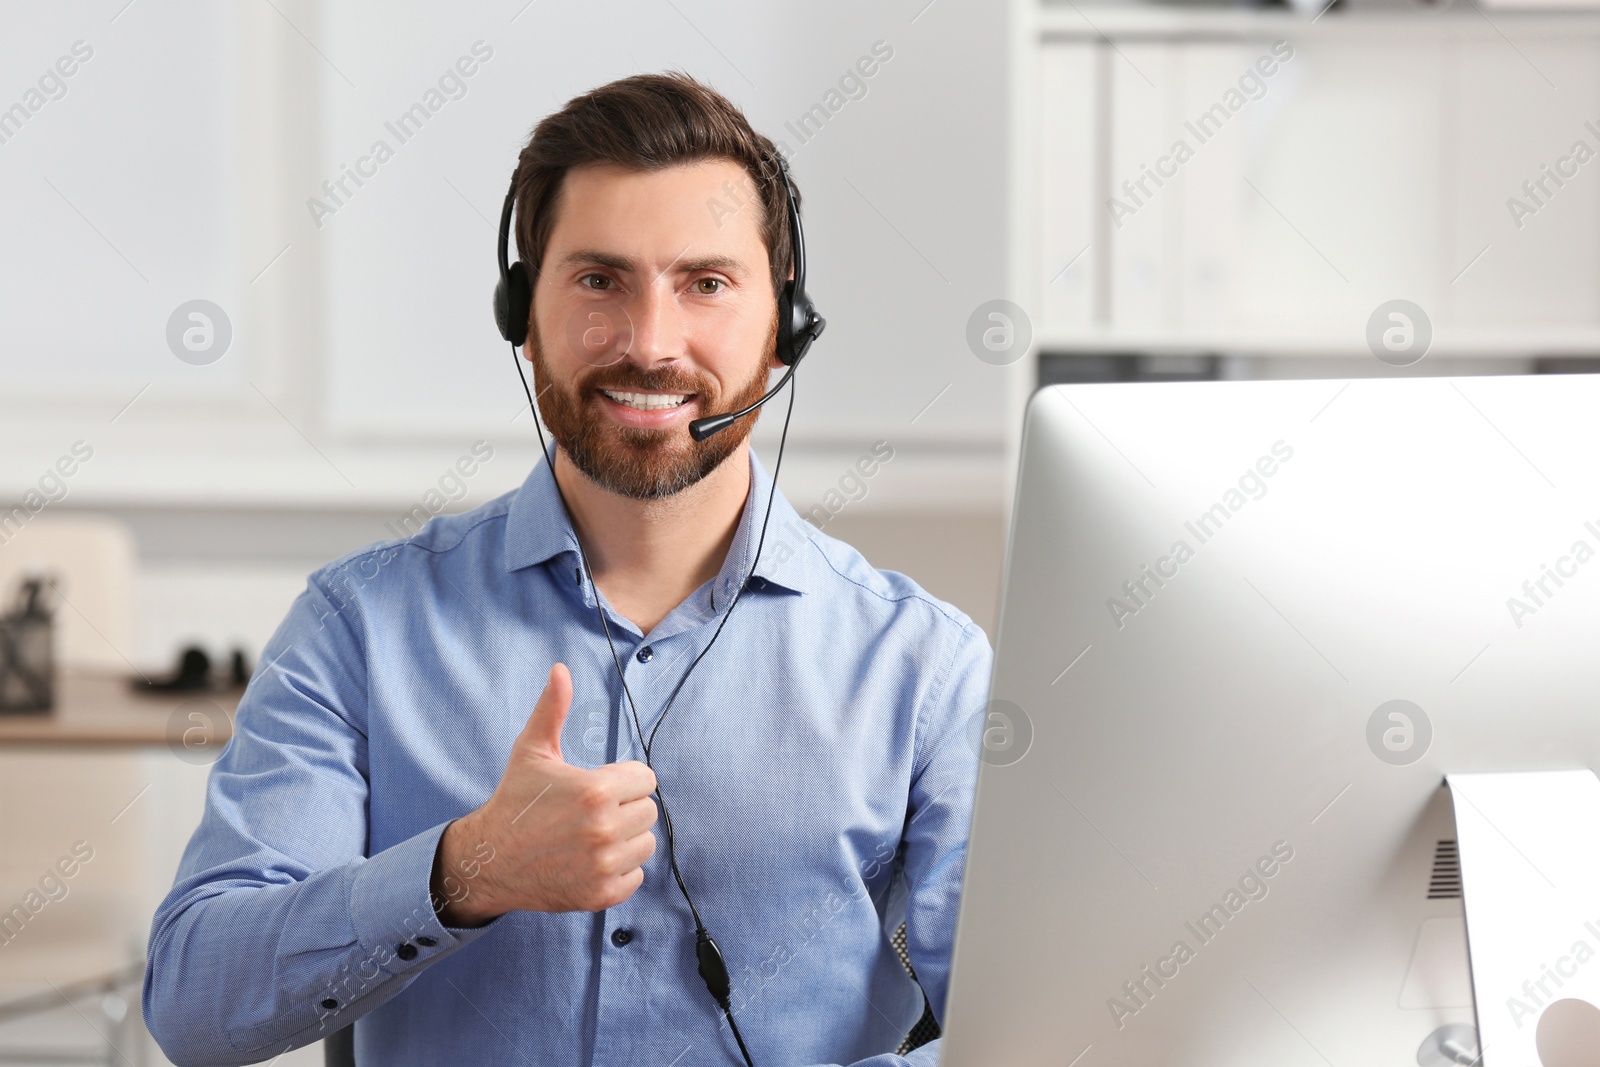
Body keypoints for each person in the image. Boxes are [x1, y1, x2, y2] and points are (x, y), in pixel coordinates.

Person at [143, 71, 992, 1067]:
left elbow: (1015, 1029)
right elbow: (195, 1004)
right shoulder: (359, 626)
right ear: (523, 311)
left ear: (784, 322)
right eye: (598, 280)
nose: (648, 342)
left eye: (705, 283)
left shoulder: (921, 665)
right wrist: (461, 872)